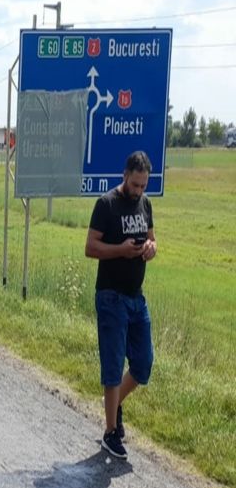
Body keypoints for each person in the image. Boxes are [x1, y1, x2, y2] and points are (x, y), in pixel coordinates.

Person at [85, 151, 157, 460]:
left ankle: (116, 404)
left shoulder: (146, 204)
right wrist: (121, 250)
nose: (139, 191)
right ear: (125, 175)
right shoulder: (106, 205)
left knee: (143, 365)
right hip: (111, 296)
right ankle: (110, 432)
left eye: (143, 186)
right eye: (136, 184)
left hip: (136, 297)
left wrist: (151, 248)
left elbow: (152, 238)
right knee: (113, 367)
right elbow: (90, 247)